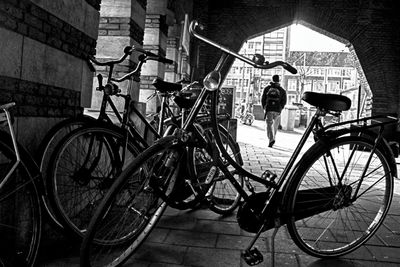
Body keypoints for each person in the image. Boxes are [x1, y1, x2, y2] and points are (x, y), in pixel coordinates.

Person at [261, 74, 287, 147]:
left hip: (269, 109)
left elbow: (263, 99)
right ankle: (273, 138)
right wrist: (280, 108)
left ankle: (271, 139)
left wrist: (264, 107)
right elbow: (284, 101)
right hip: (277, 110)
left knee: (269, 124)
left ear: (272, 79)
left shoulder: (267, 88)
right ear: (279, 80)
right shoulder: (282, 90)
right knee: (275, 125)